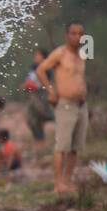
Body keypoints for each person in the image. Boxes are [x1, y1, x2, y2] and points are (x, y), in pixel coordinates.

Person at [37, 22, 89, 194]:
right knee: (62, 146)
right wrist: (51, 91)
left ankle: (68, 181)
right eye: (73, 33)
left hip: (81, 105)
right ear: (67, 35)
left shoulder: (82, 54)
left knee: (75, 147)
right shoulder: (60, 53)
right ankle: (58, 184)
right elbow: (41, 70)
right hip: (65, 104)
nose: (77, 37)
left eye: (80, 33)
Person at [23, 47, 53, 142]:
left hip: (40, 95)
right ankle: (39, 140)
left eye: (37, 55)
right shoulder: (33, 68)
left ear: (43, 57)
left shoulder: (46, 68)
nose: (35, 57)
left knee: (39, 117)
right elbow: (29, 80)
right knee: (32, 120)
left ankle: (41, 141)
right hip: (32, 95)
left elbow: (45, 83)